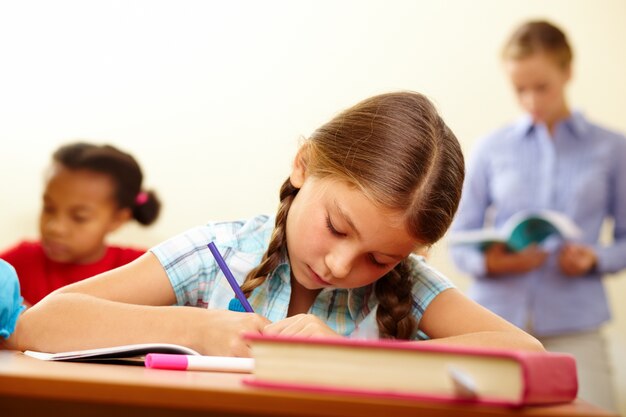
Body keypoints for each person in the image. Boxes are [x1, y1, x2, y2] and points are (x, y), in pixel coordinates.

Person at [8, 92, 543, 358]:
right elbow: (38, 325)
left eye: (380, 259)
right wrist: (194, 328)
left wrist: (355, 356)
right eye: (336, 227)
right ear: (303, 165)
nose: (339, 265)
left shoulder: (409, 287)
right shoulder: (215, 252)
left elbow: (526, 352)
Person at [448, 21, 625, 411]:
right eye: (519, 89)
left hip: (576, 325)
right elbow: (459, 237)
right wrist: (490, 261)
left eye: (541, 87)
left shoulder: (613, 148)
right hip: (494, 322)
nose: (531, 100)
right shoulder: (491, 148)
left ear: (567, 72)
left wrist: (595, 257)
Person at [0, 142, 162, 306]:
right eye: (49, 208)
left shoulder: (142, 269)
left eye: (79, 217)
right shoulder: (17, 263)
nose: (55, 227)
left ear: (118, 219)